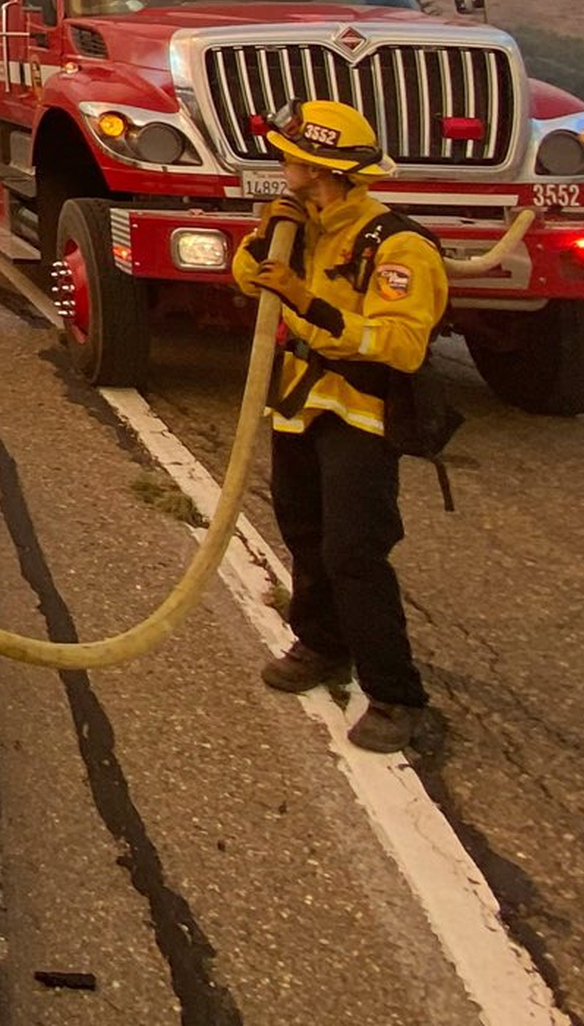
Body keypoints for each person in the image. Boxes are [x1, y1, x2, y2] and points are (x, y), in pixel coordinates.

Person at [232, 98, 448, 755]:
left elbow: (402, 345)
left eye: (290, 159)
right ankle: (322, 644)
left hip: (360, 416)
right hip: (300, 406)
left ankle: (398, 698)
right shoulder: (305, 226)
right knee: (304, 534)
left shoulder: (398, 246)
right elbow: (248, 279)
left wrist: (310, 305)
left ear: (322, 170)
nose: (282, 167)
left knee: (353, 552)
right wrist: (269, 234)